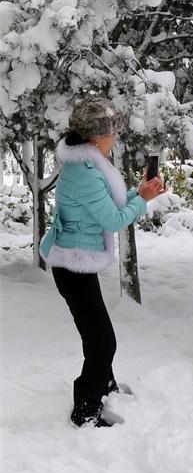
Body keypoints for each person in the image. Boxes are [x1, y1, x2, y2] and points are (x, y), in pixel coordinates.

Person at [40, 98, 164, 428]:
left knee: (95, 335)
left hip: (76, 263)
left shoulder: (86, 165)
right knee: (103, 341)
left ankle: (103, 385)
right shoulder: (85, 173)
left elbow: (107, 209)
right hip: (72, 267)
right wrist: (144, 201)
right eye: (112, 132)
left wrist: (138, 194)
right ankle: (85, 409)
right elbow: (112, 220)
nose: (115, 138)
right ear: (97, 137)